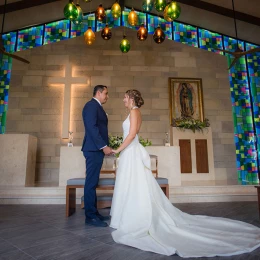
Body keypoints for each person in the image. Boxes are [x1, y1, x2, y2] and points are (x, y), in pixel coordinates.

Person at [109, 89, 260, 258]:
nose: (123, 99)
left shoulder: (135, 111)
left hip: (130, 150)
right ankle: (127, 215)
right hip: (129, 152)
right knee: (131, 184)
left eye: (125, 97)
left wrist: (117, 150)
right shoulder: (132, 112)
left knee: (135, 184)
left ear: (131, 98)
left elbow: (131, 135)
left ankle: (137, 217)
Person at [81, 85, 112, 227]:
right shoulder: (91, 106)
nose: (107, 96)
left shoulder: (97, 106)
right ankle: (90, 216)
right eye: (105, 93)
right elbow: (92, 128)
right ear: (98, 93)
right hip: (93, 149)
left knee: (93, 182)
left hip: (96, 149)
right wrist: (103, 146)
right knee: (91, 183)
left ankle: (94, 213)